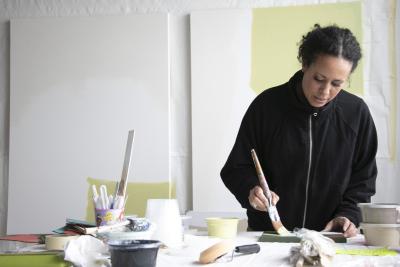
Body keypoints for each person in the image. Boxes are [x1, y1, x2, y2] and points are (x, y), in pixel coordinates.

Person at [220, 24, 377, 238]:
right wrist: (251, 189)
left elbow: (363, 181)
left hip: (330, 239)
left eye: (337, 83)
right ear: (305, 64)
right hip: (269, 237)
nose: (325, 91)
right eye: (319, 79)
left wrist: (349, 214)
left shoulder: (356, 113)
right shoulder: (267, 106)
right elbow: (236, 167)